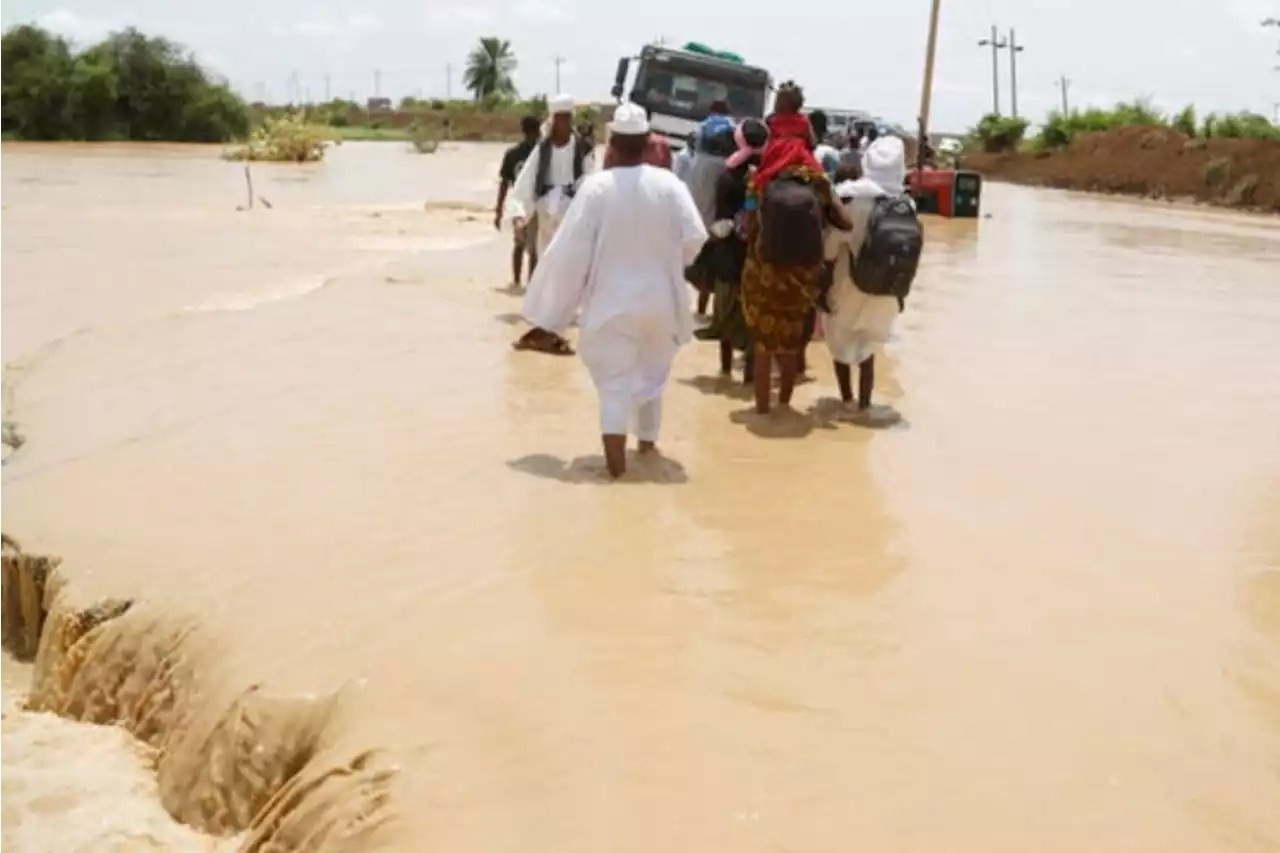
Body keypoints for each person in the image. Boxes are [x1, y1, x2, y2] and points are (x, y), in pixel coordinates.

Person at [522, 102, 707, 478]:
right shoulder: (669, 185)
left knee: (615, 390)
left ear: (612, 145)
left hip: (610, 307)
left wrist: (551, 315)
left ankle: (618, 477)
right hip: (661, 305)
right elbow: (695, 240)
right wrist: (667, 262)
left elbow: (569, 255)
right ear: (645, 143)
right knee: (652, 380)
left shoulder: (596, 189)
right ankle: (648, 451)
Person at [740, 81, 851, 414]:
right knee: (790, 347)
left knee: (763, 347)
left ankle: (761, 410)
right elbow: (845, 223)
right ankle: (785, 408)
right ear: (807, 138)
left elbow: (747, 224)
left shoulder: (761, 179)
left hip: (765, 268)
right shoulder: (814, 178)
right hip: (802, 272)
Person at [820, 136, 918, 411]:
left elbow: (830, 248)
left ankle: (846, 400)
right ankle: (864, 406)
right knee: (868, 350)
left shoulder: (850, 198)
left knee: (840, 345)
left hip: (847, 286)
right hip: (886, 291)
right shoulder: (907, 205)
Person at [508, 94, 596, 355]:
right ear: (553, 119)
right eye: (559, 118)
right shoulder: (542, 149)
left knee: (570, 267)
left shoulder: (582, 149)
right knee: (546, 265)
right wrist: (519, 213)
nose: (563, 123)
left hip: (572, 214)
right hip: (547, 214)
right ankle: (545, 318)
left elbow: (591, 181)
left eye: (567, 118)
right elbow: (525, 183)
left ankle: (562, 320)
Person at [704, 117, 768, 381]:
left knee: (724, 318)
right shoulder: (770, 174)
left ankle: (726, 371)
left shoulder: (728, 176)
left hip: (729, 258)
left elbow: (719, 222)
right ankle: (750, 377)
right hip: (759, 259)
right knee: (754, 322)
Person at [495, 116, 543, 289]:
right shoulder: (540, 154)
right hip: (527, 206)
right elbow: (505, 183)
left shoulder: (516, 153)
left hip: (525, 206)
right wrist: (499, 211)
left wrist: (499, 211)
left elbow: (504, 185)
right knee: (526, 246)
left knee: (524, 246)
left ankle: (521, 283)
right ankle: (523, 283)